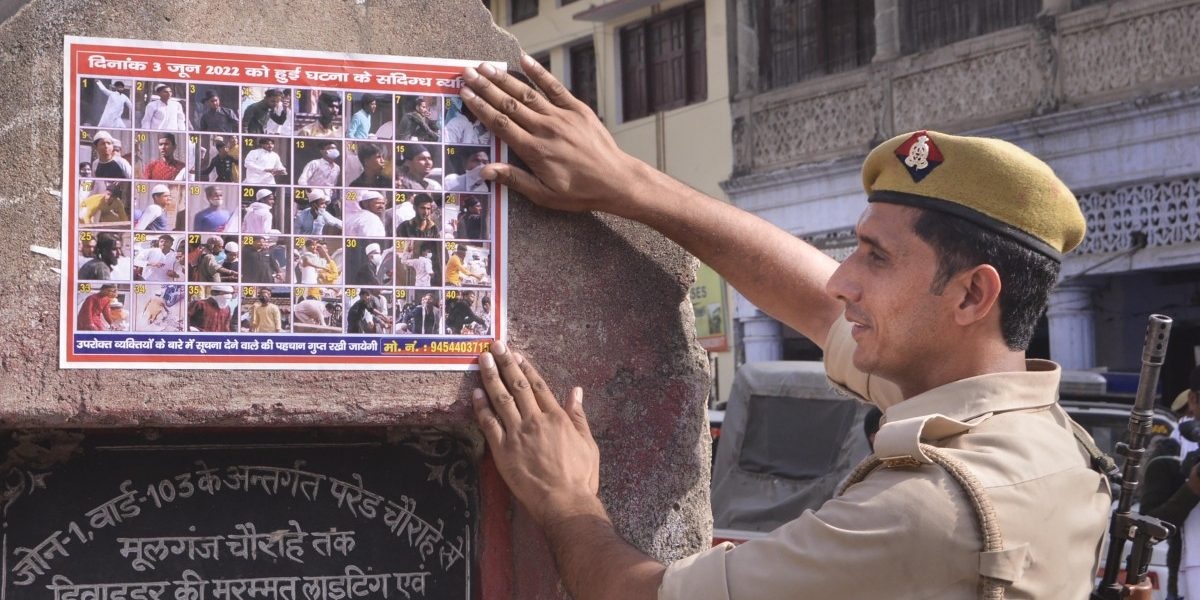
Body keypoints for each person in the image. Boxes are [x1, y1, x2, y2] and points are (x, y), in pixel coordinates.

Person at [460, 57, 1110, 598]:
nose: (841, 280)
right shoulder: (1039, 436)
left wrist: (564, 496)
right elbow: (814, 300)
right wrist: (625, 183)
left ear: (972, 294)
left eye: (875, 257)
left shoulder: (926, 508)